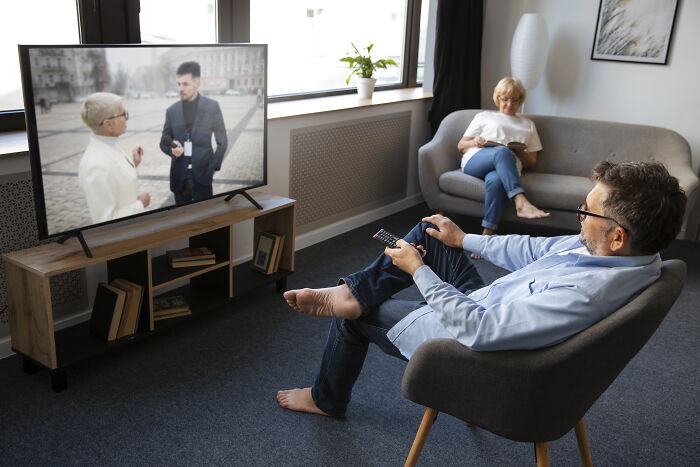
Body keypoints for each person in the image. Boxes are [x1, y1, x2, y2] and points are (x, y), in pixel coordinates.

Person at [277, 160, 686, 417]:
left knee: (354, 319)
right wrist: (465, 239)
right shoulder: (629, 256)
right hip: (488, 303)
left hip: (468, 347)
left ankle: (326, 397)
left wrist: (420, 272)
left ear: (617, 236)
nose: (579, 219)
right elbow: (534, 248)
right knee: (431, 230)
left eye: (586, 212)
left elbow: (480, 332)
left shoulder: (587, 293)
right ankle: (354, 293)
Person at [457, 77, 549, 243]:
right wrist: (475, 142)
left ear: (520, 100)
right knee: (502, 151)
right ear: (497, 98)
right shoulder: (484, 116)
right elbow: (461, 145)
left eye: (514, 99)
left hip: (507, 167)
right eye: (504, 99)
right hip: (477, 159)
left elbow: (532, 162)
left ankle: (486, 234)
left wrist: (519, 153)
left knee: (497, 180)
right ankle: (520, 200)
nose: (509, 104)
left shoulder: (528, 124)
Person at [160, 61, 228, 204]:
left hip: (203, 177)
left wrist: (212, 168)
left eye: (185, 84)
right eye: (179, 84)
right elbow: (164, 140)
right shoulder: (171, 110)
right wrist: (172, 149)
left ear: (197, 83)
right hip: (179, 177)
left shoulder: (212, 107)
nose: (180, 88)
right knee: (182, 221)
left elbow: (222, 142)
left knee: (206, 219)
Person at [78, 92, 150, 223]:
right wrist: (140, 204)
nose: (127, 118)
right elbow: (105, 221)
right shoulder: (95, 166)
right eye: (123, 114)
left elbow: (116, 181)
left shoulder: (109, 144)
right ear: (108, 124)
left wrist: (134, 164)